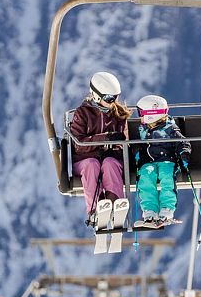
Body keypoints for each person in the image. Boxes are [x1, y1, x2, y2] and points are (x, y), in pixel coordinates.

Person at [69, 71, 131, 225]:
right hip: (84, 162)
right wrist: (105, 139)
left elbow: (125, 143)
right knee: (92, 165)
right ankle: (95, 210)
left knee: (109, 163)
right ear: (96, 96)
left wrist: (114, 145)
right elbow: (78, 144)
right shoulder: (82, 114)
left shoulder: (119, 115)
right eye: (109, 98)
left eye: (115, 97)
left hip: (111, 160)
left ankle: (115, 204)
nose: (112, 102)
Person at [134, 95, 191, 226]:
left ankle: (166, 210)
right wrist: (136, 149)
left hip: (167, 161)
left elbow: (182, 142)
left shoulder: (170, 128)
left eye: (141, 113)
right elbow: (138, 144)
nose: (139, 116)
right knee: (146, 176)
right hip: (148, 162)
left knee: (167, 177)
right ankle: (150, 211)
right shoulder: (143, 129)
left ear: (151, 114)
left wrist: (184, 152)